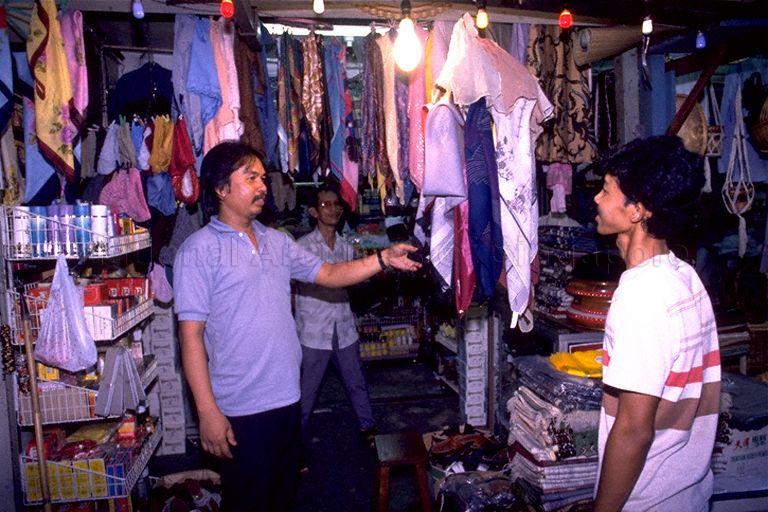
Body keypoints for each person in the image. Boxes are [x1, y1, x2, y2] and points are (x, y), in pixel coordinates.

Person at [172, 141, 420, 512]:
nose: (262, 186)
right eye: (250, 177)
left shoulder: (277, 242)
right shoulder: (198, 250)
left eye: (262, 177)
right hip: (239, 407)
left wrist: (382, 259)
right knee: (249, 501)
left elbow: (331, 273)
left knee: (284, 498)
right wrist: (207, 411)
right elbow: (190, 336)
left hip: (287, 399)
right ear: (221, 189)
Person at [592, 135, 721, 511]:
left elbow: (634, 430)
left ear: (636, 212)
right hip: (687, 494)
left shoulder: (641, 295)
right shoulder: (683, 275)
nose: (597, 199)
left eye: (606, 190)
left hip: (648, 500)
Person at [295, 183, 376, 450]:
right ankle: (294, 445)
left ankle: (368, 429)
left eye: (337, 204)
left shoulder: (345, 247)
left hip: (343, 327)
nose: (333, 209)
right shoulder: (302, 247)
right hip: (313, 331)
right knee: (306, 394)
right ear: (313, 212)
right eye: (326, 205)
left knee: (357, 383)